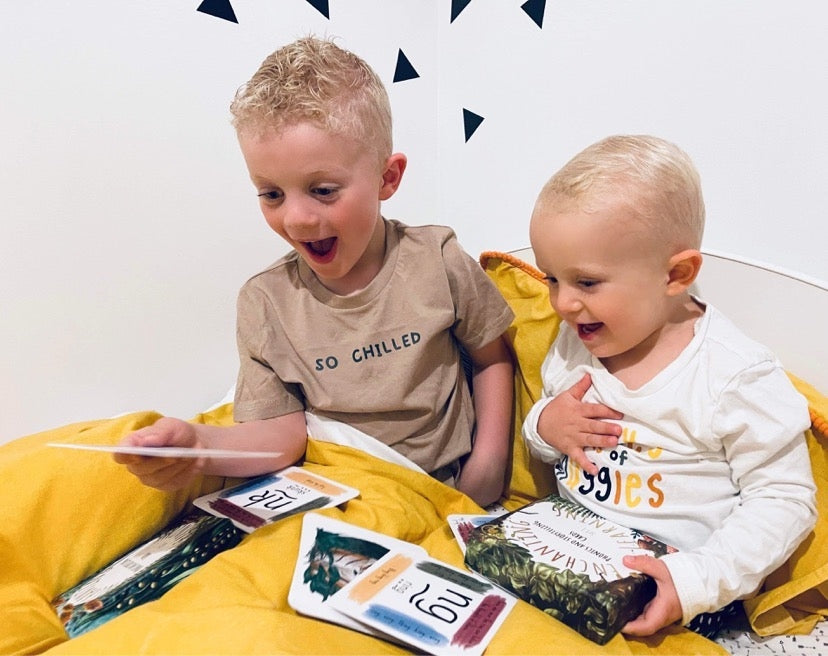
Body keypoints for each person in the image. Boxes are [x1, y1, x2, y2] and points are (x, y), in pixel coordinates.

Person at [116, 36, 515, 508]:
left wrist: (486, 469)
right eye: (271, 194)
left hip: (437, 493)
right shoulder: (265, 303)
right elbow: (283, 438)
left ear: (388, 178)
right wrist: (197, 446)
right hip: (334, 495)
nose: (297, 219)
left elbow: (493, 359)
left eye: (323, 190)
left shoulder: (437, 259)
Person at [521, 134, 817, 638]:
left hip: (675, 590)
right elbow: (547, 444)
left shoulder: (733, 375)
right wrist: (545, 426)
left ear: (676, 274)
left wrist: (695, 581)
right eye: (551, 279)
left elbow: (786, 499)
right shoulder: (577, 341)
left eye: (586, 283)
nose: (562, 303)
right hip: (567, 551)